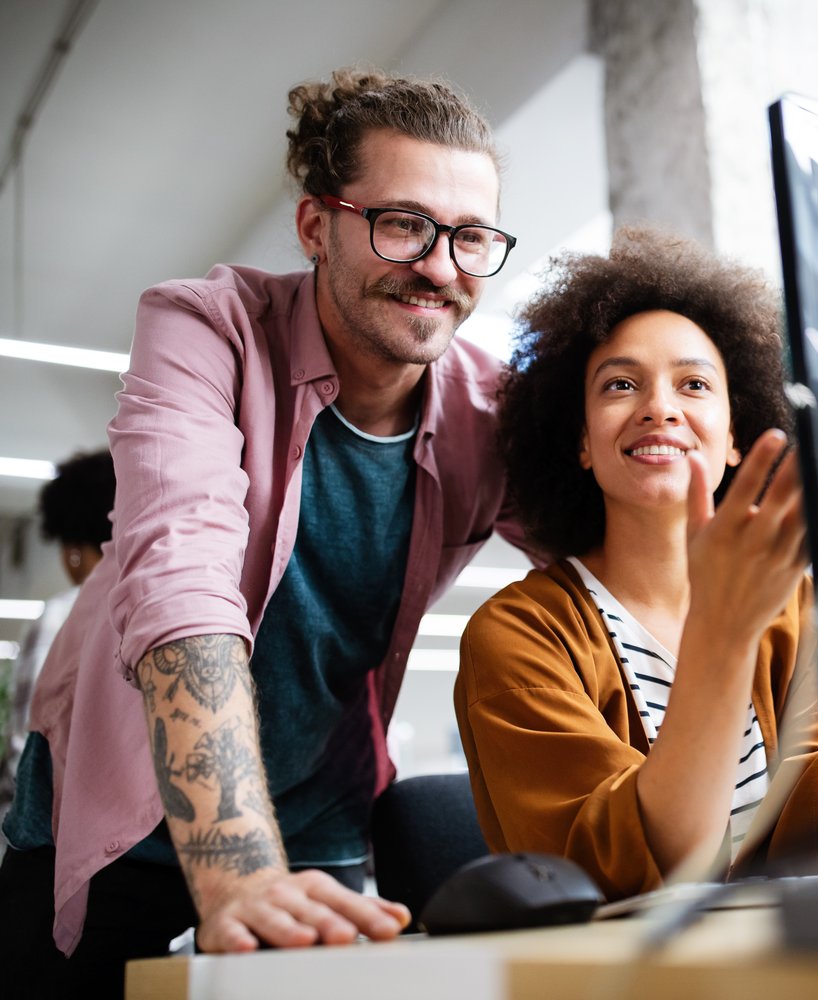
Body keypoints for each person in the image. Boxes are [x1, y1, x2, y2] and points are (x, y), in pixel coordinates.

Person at [0, 68, 532, 997]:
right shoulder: (207, 329)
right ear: (316, 226)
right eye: (404, 224)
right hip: (121, 816)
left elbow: (615, 563)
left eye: (472, 237)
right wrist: (238, 864)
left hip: (321, 824)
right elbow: (181, 576)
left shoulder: (491, 409)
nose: (442, 267)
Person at [455, 228, 818, 900]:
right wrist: (722, 628)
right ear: (582, 442)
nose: (659, 408)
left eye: (694, 384)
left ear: (735, 435)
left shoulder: (800, 608)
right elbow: (640, 870)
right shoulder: (518, 636)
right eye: (621, 384)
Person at [0, 450, 115, 829]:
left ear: (72, 550)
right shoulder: (145, 607)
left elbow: (28, 740)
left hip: (49, 831)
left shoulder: (61, 615)